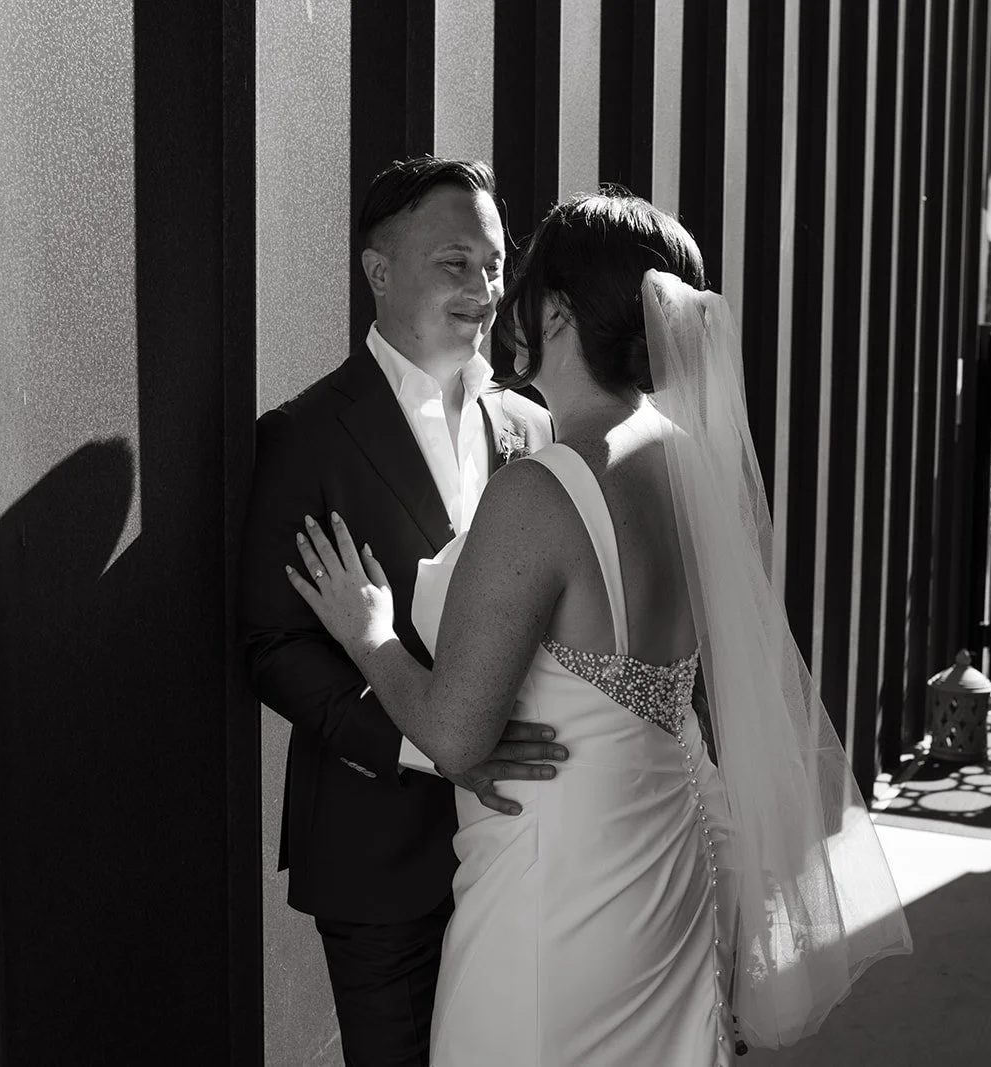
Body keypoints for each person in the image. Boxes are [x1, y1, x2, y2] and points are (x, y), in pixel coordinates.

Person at [288, 192, 913, 1064]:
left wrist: (371, 635)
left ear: (557, 310)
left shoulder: (540, 490)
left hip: (557, 901)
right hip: (663, 871)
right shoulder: (688, 464)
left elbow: (454, 734)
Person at [237, 156, 557, 1066]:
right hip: (377, 855)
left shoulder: (529, 429)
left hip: (521, 842)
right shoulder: (303, 437)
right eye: (457, 263)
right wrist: (432, 742)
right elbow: (271, 644)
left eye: (496, 266)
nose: (487, 288)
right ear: (379, 271)